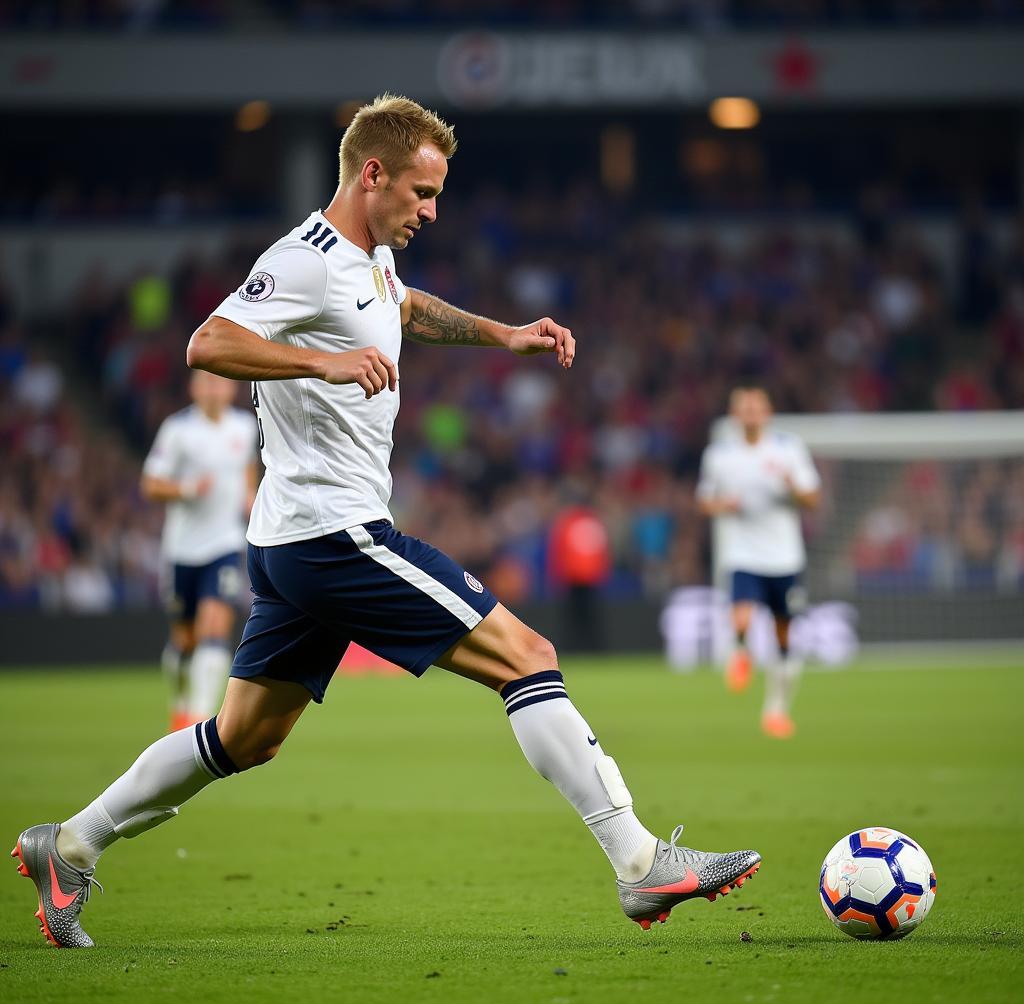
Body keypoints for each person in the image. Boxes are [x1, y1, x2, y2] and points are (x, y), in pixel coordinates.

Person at [12, 95, 759, 949]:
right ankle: (637, 863)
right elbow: (207, 343)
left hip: (292, 540)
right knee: (529, 657)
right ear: (372, 175)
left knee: (244, 736)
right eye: (420, 191)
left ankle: (69, 845)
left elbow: (401, 309)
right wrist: (321, 361)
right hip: (338, 536)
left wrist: (503, 334)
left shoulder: (369, 262)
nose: (431, 211)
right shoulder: (304, 259)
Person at [697, 386, 821, 738]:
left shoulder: (788, 450)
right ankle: (739, 653)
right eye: (744, 408)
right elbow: (704, 501)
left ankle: (776, 710)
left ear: (767, 412)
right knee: (742, 615)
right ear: (735, 415)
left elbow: (813, 499)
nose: (750, 414)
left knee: (784, 635)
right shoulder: (719, 455)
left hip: (785, 557)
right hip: (743, 553)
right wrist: (725, 506)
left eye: (756, 408)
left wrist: (791, 487)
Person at [141, 370, 259, 731]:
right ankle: (180, 705)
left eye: (220, 381)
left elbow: (248, 478)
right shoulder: (177, 431)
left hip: (224, 544)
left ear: (232, 387)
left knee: (214, 627)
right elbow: (151, 484)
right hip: (181, 549)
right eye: (206, 381)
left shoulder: (244, 427)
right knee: (184, 642)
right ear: (193, 387)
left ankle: (199, 722)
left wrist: (254, 508)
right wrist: (190, 489)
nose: (214, 388)